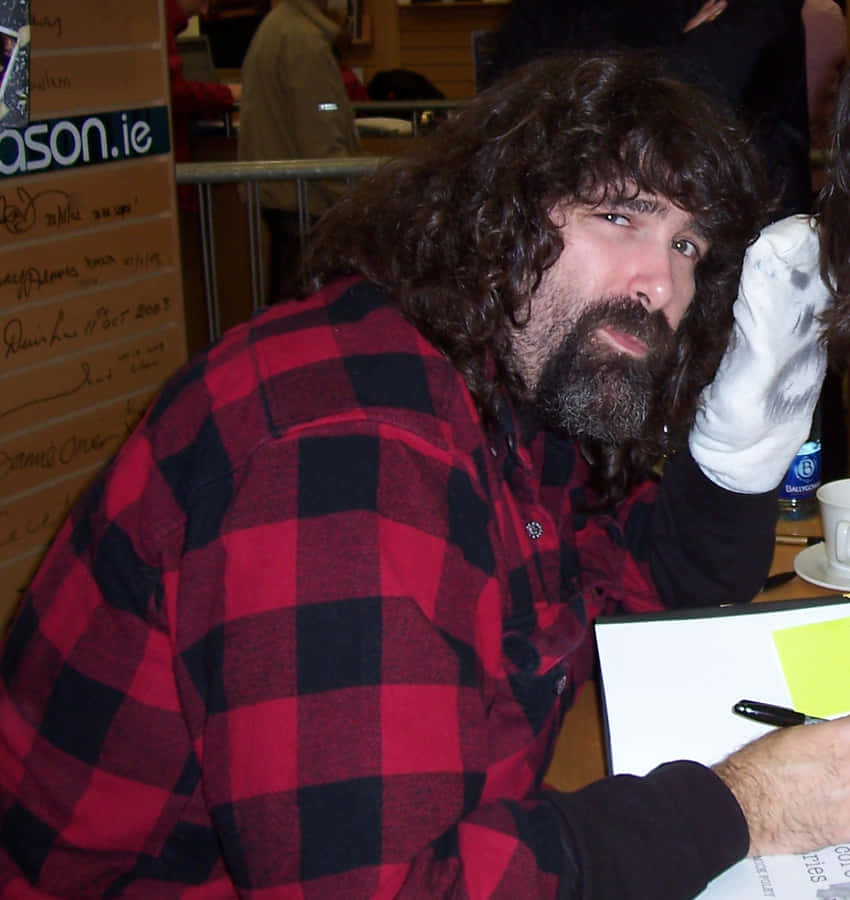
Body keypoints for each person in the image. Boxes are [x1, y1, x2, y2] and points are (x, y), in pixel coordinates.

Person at [0, 51, 848, 898]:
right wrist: (747, 804)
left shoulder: (495, 389)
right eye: (621, 218)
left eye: (687, 245)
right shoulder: (346, 452)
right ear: (502, 211)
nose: (661, 283)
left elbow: (633, 593)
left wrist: (739, 456)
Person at [483, 0, 812, 218]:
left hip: (717, 233)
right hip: (559, 215)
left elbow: (715, 85)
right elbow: (511, 117)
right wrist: (669, 63)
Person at [237, 0, 361, 303]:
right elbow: (321, 132)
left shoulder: (279, 27)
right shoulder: (305, 42)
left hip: (286, 197)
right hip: (306, 203)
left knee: (285, 310)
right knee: (304, 310)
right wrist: (358, 201)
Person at [166, 0, 241, 211]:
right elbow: (174, 93)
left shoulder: (163, 28)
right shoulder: (156, 29)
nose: (204, 10)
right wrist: (226, 94)